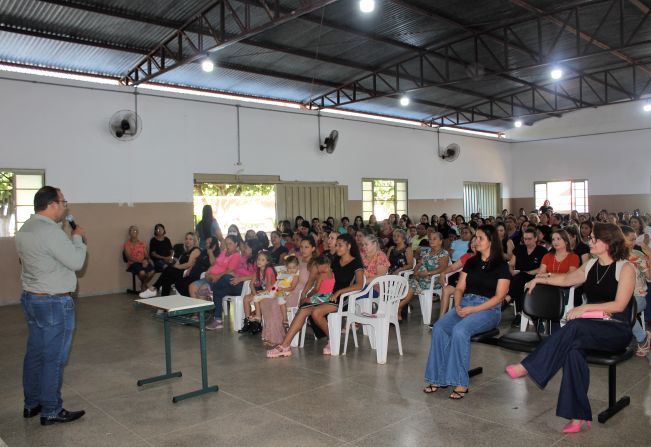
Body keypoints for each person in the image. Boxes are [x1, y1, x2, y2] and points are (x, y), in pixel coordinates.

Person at [506, 223, 635, 433]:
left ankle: (530, 366)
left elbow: (619, 305)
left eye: (594, 239)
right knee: (573, 352)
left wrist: (584, 308)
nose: (589, 241)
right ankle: (578, 416)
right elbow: (566, 279)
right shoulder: (591, 265)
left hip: (616, 329)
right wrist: (540, 278)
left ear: (608, 242)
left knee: (575, 326)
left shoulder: (625, 268)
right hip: (591, 327)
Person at [15, 186, 87, 425]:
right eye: (63, 201)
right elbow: (76, 261)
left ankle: (32, 404)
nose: (65, 206)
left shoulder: (26, 228)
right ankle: (51, 409)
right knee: (53, 358)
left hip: (32, 298)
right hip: (54, 302)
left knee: (35, 353)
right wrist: (78, 238)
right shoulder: (52, 233)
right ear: (52, 204)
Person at [423, 225, 510, 400]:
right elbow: (460, 287)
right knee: (440, 327)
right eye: (475, 237)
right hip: (466, 303)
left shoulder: (501, 265)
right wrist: (459, 305)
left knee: (460, 330)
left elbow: (500, 297)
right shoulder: (471, 262)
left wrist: (474, 309)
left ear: (491, 241)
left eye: (480, 238)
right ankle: (437, 378)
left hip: (488, 309)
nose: (475, 241)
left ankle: (460, 381)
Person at [266, 234, 364, 358]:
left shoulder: (355, 263)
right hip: (327, 296)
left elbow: (360, 285)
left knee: (316, 313)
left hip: (343, 299)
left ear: (349, 246)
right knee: (303, 309)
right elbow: (317, 277)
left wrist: (339, 292)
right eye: (336, 245)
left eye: (340, 245)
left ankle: (332, 340)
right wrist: (307, 293)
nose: (337, 247)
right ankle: (285, 346)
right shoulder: (334, 261)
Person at [207, 239, 259, 330]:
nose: (244, 249)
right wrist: (234, 274)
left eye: (246, 248)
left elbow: (257, 275)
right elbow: (234, 270)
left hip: (244, 287)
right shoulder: (242, 258)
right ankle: (218, 320)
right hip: (233, 284)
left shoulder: (256, 261)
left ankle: (209, 288)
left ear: (253, 249)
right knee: (217, 291)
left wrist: (240, 278)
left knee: (224, 278)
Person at [401, 232, 449, 320]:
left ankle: (398, 308)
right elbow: (415, 271)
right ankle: (398, 309)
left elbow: (443, 268)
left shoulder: (443, 253)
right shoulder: (427, 254)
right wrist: (419, 264)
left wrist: (427, 274)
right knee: (407, 284)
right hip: (422, 279)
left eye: (434, 239)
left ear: (440, 241)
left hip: (436, 280)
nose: (431, 240)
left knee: (409, 285)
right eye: (430, 238)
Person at [139, 232, 201, 298]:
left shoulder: (196, 250)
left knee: (168, 271)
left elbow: (188, 264)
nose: (187, 240)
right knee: (167, 276)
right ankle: (162, 299)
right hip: (180, 272)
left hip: (188, 273)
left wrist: (175, 266)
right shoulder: (184, 252)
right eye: (186, 239)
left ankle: (154, 288)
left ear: (194, 241)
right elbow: (178, 263)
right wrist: (174, 264)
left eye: (190, 239)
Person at [508, 227, 548, 327]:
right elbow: (511, 264)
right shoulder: (519, 249)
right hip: (518, 277)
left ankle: (509, 299)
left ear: (535, 239)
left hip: (534, 277)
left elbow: (542, 268)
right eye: (525, 239)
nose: (527, 241)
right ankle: (520, 312)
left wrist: (528, 272)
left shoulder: (542, 251)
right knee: (518, 280)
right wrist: (511, 271)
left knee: (519, 278)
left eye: (529, 239)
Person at [436, 236, 477, 321]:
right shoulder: (467, 256)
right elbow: (452, 267)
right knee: (446, 289)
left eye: (476, 241)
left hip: (474, 287)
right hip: (461, 283)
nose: (473, 244)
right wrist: (443, 273)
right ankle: (441, 319)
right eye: (472, 242)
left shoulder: (485, 257)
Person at [239, 251, 276, 334]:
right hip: (264, 291)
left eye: (263, 260)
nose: (259, 261)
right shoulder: (257, 270)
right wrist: (255, 293)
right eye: (258, 259)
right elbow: (251, 284)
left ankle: (258, 323)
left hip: (273, 291)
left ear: (267, 262)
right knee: (246, 298)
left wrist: (258, 294)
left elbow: (270, 287)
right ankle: (248, 322)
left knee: (256, 297)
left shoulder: (269, 270)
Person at [123, 225, 155, 291]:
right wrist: (141, 261)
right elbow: (129, 257)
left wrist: (146, 260)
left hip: (143, 262)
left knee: (152, 271)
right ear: (129, 233)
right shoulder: (127, 244)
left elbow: (146, 256)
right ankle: (144, 285)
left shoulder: (142, 243)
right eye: (132, 231)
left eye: (136, 231)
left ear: (138, 232)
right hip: (133, 263)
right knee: (142, 273)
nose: (134, 232)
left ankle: (143, 284)